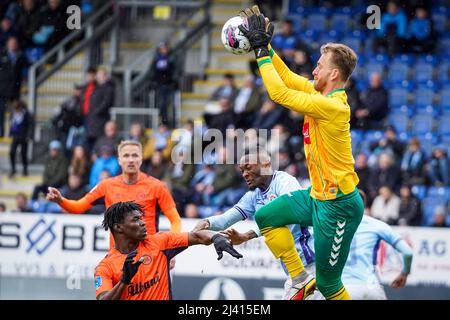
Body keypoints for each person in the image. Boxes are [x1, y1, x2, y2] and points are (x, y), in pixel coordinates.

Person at [238, 6, 364, 300]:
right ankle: (299, 278)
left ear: (333, 74)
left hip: (339, 206)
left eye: (319, 66)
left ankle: (311, 282)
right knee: (266, 215)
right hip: (318, 196)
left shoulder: (332, 105)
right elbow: (287, 77)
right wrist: (266, 46)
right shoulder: (320, 94)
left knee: (330, 285)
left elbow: (278, 94)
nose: (313, 69)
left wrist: (259, 53)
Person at [193, 151, 320, 300]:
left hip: (312, 262)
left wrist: (247, 235)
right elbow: (225, 219)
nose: (245, 174)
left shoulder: (285, 182)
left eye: (248, 168)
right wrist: (206, 223)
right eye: (242, 171)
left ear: (266, 165)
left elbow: (286, 217)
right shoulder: (254, 195)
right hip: (296, 270)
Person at [46, 140, 182, 248]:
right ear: (119, 160)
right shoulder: (107, 185)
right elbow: (78, 207)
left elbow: (175, 220)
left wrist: (172, 247)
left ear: (141, 159)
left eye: (135, 155)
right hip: (118, 260)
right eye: (126, 156)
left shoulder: (157, 186)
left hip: (150, 258)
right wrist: (60, 200)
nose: (130, 160)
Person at [94, 201, 242, 300]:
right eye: (135, 220)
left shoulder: (159, 242)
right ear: (118, 227)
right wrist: (125, 280)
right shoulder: (105, 267)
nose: (143, 223)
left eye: (141, 218)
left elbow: (196, 236)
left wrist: (215, 237)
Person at [342, 190, 413, 299]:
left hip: (346, 287)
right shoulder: (377, 225)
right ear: (364, 205)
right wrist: (404, 273)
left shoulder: (333, 226)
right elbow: (408, 252)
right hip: (372, 287)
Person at [9, 100, 31, 178]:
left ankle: (25, 169)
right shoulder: (13, 114)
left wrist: (29, 135)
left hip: (23, 136)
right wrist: (10, 133)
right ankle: (13, 169)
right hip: (15, 136)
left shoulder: (26, 114)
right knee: (12, 152)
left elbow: (30, 125)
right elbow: (11, 124)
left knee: (23, 154)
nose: (17, 110)